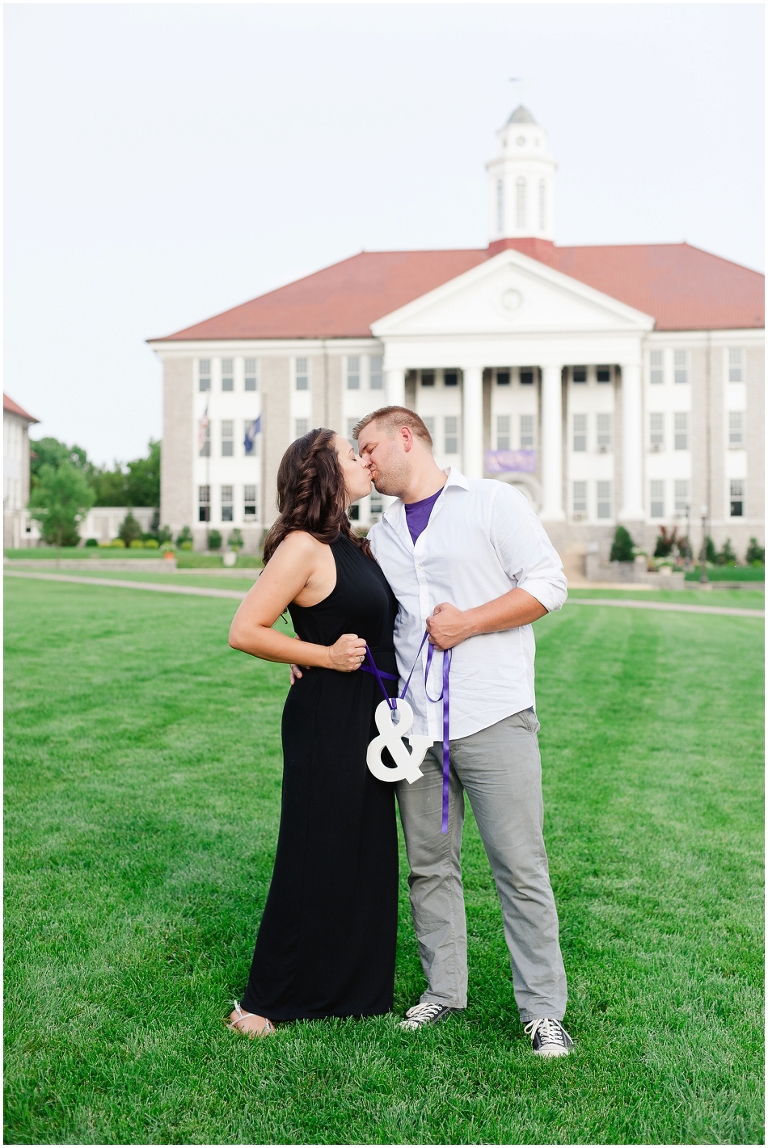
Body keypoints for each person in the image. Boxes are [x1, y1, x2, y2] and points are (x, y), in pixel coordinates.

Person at [354, 405, 573, 1057]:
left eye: (369, 449)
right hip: (416, 730)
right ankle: (443, 992)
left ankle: (543, 1011)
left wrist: (469, 622)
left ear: (406, 438)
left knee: (520, 868)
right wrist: (310, 658)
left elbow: (549, 584)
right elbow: (380, 619)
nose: (364, 463)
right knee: (428, 868)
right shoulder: (384, 534)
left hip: (494, 714)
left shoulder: (491, 501)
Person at [226, 428, 399, 1036]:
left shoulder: (346, 542)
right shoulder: (302, 545)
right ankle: (266, 1001)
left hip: (371, 717)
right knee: (313, 848)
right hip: (328, 717)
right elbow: (245, 629)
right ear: (326, 471)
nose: (364, 461)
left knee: (361, 850)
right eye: (352, 454)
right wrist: (320, 654)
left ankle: (350, 990)